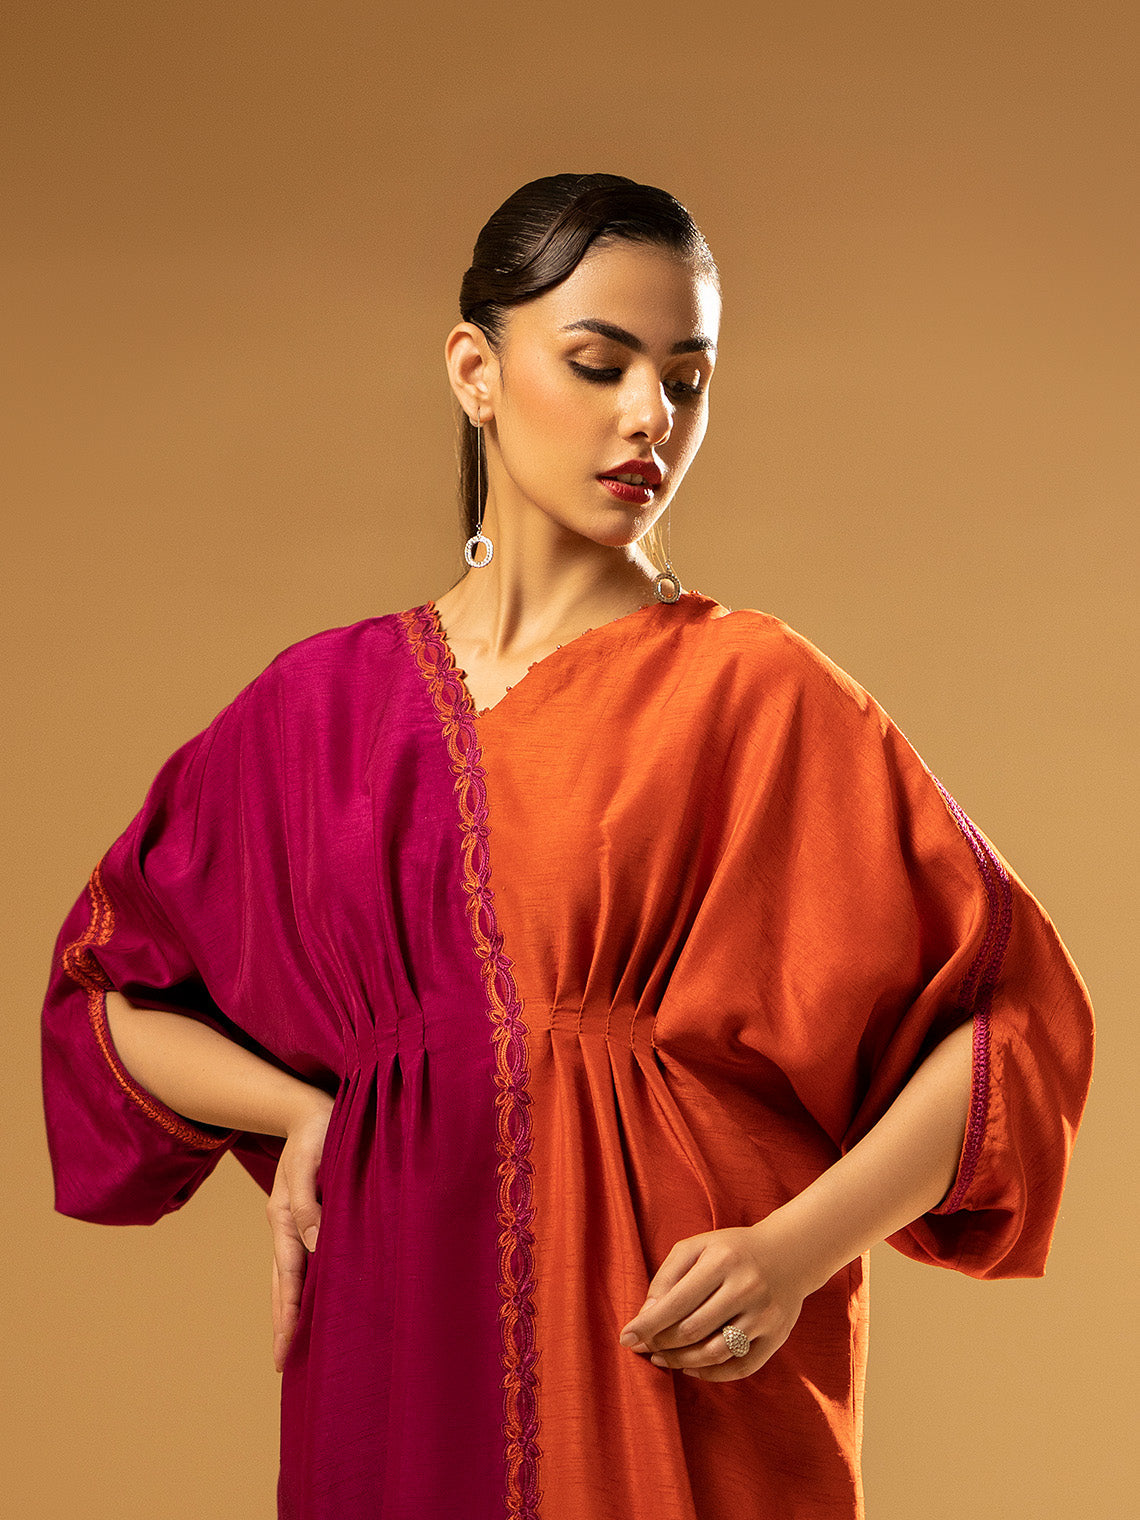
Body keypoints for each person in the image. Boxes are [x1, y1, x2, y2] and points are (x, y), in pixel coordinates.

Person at [41, 173, 1095, 1520]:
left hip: (680, 1366)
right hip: (397, 1334)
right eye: (601, 365)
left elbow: (1013, 1024)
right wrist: (308, 1114)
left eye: (687, 381)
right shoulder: (317, 714)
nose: (651, 416)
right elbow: (108, 997)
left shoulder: (751, 691)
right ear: (475, 373)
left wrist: (790, 1254)